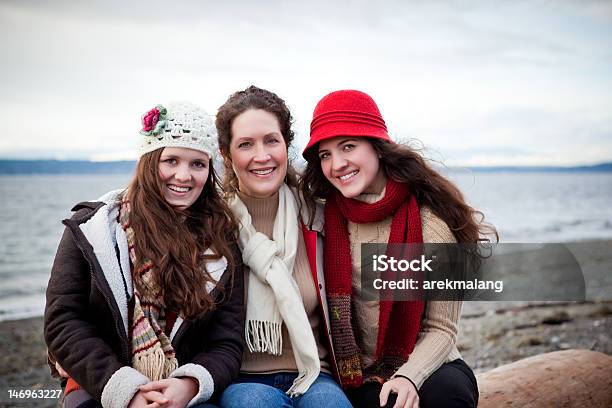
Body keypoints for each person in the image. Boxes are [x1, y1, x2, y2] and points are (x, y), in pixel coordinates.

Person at [300, 90, 497, 408]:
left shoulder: (430, 222)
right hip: (356, 374)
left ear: (377, 146)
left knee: (447, 396)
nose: (337, 164)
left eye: (348, 146)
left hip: (430, 365)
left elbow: (441, 329)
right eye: (325, 154)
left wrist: (409, 377)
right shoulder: (321, 218)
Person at [44, 102, 244, 408]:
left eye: (197, 164)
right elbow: (64, 321)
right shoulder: (95, 229)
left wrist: (189, 385)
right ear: (149, 163)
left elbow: (226, 341)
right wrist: (128, 392)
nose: (183, 175)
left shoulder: (221, 240)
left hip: (181, 388)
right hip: (101, 382)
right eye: (171, 160)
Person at [214, 85, 351, 408]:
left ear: (286, 145)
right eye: (246, 144)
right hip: (240, 379)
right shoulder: (212, 224)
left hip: (315, 373)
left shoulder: (317, 216)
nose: (261, 156)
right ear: (226, 153)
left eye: (271, 141)